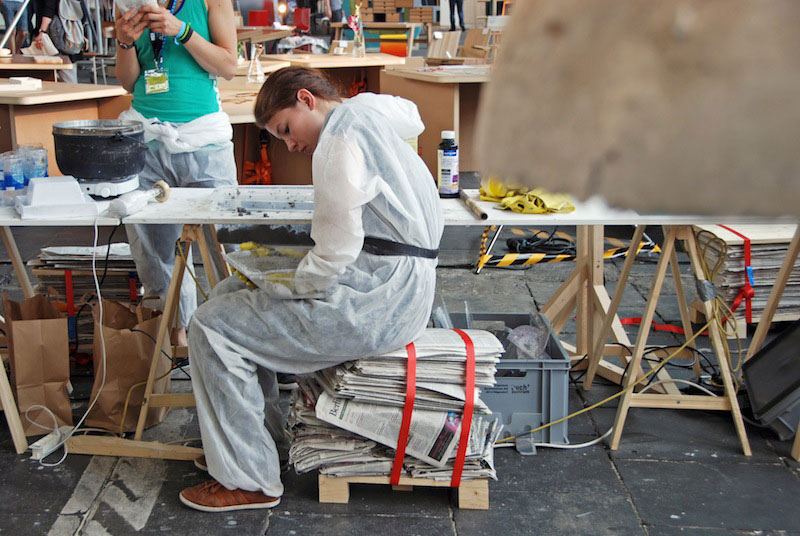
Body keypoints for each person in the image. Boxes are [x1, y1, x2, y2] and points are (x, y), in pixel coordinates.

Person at [179, 66, 444, 512]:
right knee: (226, 295)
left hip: (380, 300)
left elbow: (334, 253)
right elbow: (412, 115)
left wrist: (278, 285)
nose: (290, 145)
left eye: (286, 129)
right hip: (402, 287)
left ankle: (250, 480)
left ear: (306, 99)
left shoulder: (337, 141)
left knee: (211, 325)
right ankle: (255, 445)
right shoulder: (365, 110)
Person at [114, 0, 238, 347]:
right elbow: (128, 82)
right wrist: (124, 42)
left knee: (227, 245)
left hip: (205, 142)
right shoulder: (128, 3)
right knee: (154, 254)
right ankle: (175, 338)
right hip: (147, 139)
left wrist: (181, 30)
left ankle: (233, 333)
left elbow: (228, 66)